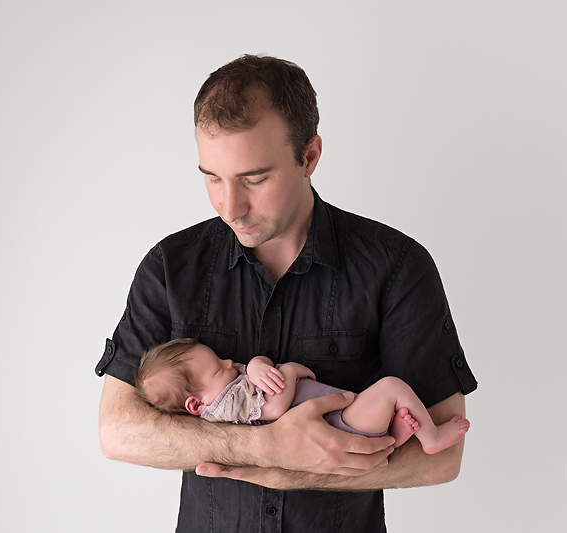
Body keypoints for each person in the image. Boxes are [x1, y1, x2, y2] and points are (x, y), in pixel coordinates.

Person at [95, 54, 477, 532]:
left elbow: (442, 458)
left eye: (254, 178)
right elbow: (118, 431)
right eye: (212, 177)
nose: (229, 207)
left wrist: (288, 472)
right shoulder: (169, 267)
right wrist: (264, 448)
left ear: (310, 156)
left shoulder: (397, 266)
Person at [136, 338, 471, 453]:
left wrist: (256, 365)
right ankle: (432, 438)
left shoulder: (225, 387)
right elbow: (277, 407)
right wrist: (291, 371)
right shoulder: (224, 407)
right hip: (338, 423)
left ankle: (392, 439)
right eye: (217, 368)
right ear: (196, 404)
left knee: (381, 403)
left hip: (342, 418)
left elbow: (252, 370)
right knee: (392, 387)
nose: (227, 362)